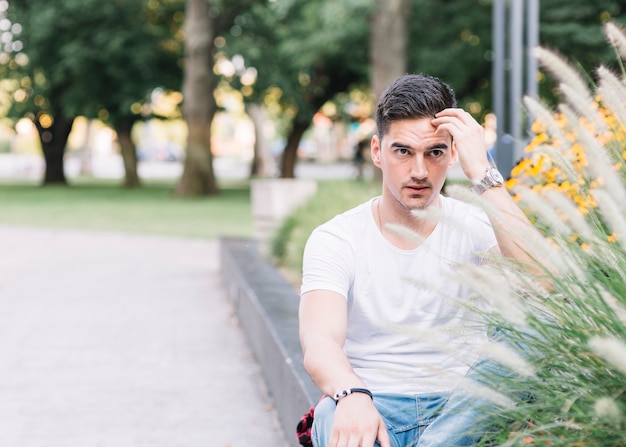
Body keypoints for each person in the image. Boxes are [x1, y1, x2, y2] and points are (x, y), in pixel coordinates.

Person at [298, 74, 540, 447]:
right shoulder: (337, 238)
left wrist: (484, 176)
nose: (419, 172)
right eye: (403, 151)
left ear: (454, 153)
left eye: (435, 153)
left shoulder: (476, 225)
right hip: (374, 407)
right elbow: (320, 341)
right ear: (378, 151)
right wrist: (351, 395)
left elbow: (546, 285)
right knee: (334, 414)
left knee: (536, 327)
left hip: (463, 411)